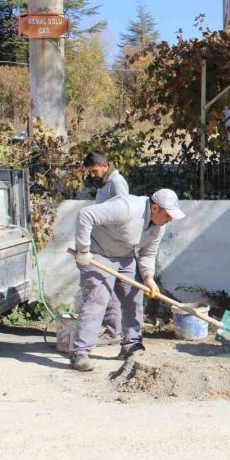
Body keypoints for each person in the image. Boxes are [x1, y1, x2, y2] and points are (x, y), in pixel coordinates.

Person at [70, 190, 184, 371]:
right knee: (98, 300)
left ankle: (131, 345)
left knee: (133, 299)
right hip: (97, 253)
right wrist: (83, 250)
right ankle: (80, 352)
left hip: (125, 256)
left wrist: (149, 278)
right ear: (155, 208)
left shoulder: (159, 226)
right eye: (168, 215)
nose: (170, 220)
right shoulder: (127, 208)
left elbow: (148, 253)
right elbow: (86, 214)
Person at [82, 151, 130, 346]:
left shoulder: (117, 183)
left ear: (105, 165)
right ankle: (113, 330)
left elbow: (123, 212)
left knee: (107, 290)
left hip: (112, 247)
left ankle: (116, 333)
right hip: (102, 244)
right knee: (106, 290)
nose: (92, 174)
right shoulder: (106, 183)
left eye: (94, 170)